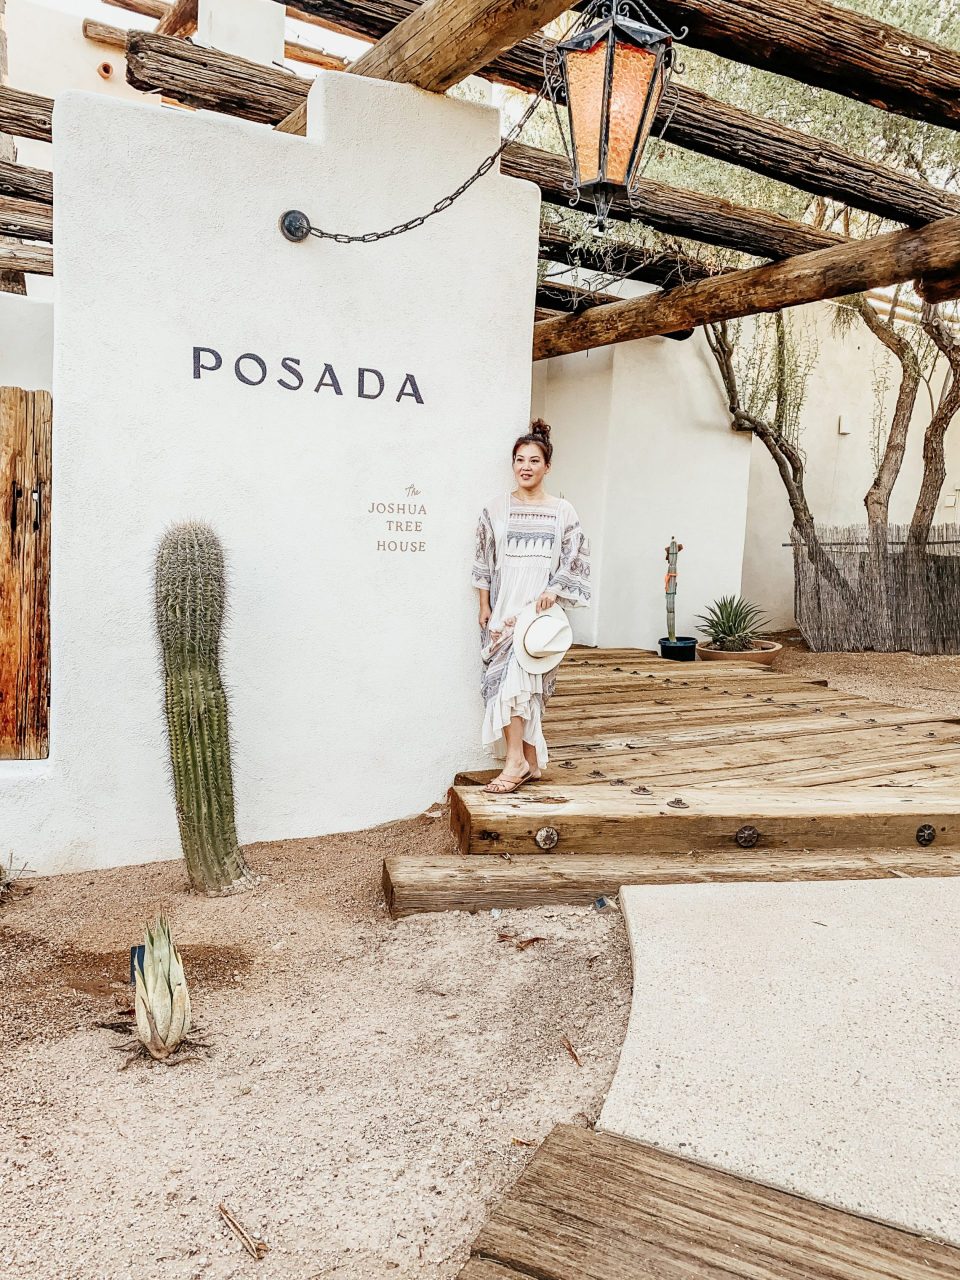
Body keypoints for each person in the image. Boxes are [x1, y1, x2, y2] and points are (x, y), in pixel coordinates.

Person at [471, 419, 591, 794]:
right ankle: (530, 759)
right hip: (502, 610)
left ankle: (516, 762)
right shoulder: (495, 509)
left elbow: (576, 558)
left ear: (547, 466)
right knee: (505, 684)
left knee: (523, 684)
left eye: (534, 460)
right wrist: (484, 604)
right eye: (519, 459)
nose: (525, 466)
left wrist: (555, 590)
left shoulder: (562, 511)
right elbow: (482, 559)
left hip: (537, 612)